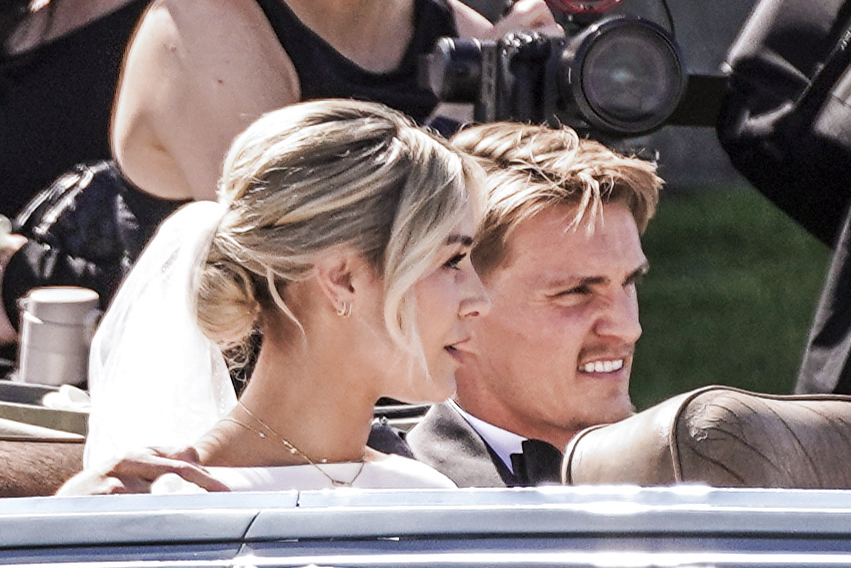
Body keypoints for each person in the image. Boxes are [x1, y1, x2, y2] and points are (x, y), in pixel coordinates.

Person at [57, 99, 491, 494]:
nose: (479, 300)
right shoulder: (152, 499)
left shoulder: (427, 491)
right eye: (452, 261)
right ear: (342, 278)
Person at [406, 121, 663, 487]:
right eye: (576, 292)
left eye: (629, 282)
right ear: (461, 309)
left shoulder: (700, 477)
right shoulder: (402, 503)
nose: (627, 328)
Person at [110, 0, 562, 203]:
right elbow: (291, 252)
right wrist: (474, 99)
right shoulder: (204, 22)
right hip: (220, 359)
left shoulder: (461, 29)